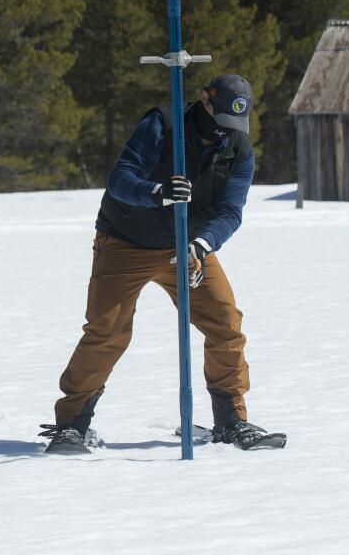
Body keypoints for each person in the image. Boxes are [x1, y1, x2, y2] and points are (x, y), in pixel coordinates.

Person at [41, 75, 284, 453]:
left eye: (232, 127)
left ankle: (231, 422)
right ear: (205, 99)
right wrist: (157, 192)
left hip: (186, 247)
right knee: (108, 331)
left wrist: (203, 244)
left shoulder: (238, 149)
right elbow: (120, 179)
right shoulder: (163, 124)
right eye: (219, 121)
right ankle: (72, 424)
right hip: (125, 241)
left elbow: (230, 211)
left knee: (225, 323)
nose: (223, 133)